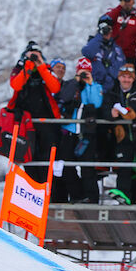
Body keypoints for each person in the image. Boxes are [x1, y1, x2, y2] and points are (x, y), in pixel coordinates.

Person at [102, 63, 136, 205]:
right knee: (123, 165)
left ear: (133, 79)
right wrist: (111, 114)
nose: (126, 80)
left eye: (129, 77)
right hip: (122, 137)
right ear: (119, 77)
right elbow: (103, 111)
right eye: (123, 77)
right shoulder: (112, 93)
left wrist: (134, 116)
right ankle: (123, 193)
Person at [8, 41, 61, 183]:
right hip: (25, 121)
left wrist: (41, 66)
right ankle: (32, 188)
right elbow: (16, 85)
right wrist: (28, 65)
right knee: (27, 157)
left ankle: (45, 189)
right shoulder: (20, 68)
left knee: (46, 157)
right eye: (32, 55)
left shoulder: (45, 68)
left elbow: (55, 87)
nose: (34, 57)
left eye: (36, 55)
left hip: (45, 122)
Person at [53, 57, 103, 203]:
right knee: (67, 166)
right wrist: (76, 81)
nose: (84, 75)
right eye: (82, 72)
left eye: (87, 72)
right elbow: (65, 96)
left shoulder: (96, 87)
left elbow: (96, 102)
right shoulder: (70, 84)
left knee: (87, 167)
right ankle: (77, 195)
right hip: (69, 131)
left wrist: (89, 83)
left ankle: (92, 198)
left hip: (86, 132)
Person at [82, 14, 126, 93]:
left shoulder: (115, 48)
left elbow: (121, 64)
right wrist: (99, 36)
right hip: (95, 86)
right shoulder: (94, 44)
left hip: (111, 87)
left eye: (109, 29)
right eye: (105, 29)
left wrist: (109, 72)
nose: (107, 32)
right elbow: (86, 51)